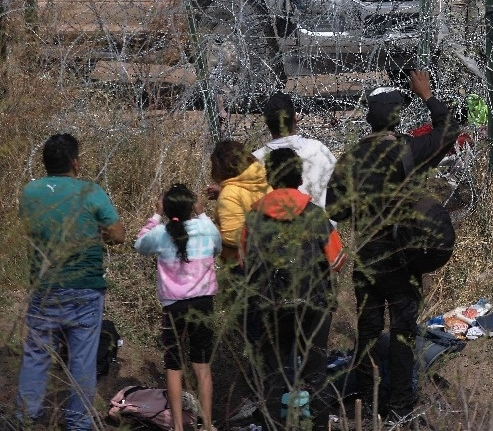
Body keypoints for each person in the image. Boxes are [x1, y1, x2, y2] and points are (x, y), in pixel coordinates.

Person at [326, 69, 460, 425]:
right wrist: (427, 94)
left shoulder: (351, 158)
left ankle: (369, 405)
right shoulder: (408, 150)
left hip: (367, 259)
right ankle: (400, 407)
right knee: (403, 331)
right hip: (402, 260)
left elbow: (335, 210)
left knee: (368, 330)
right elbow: (449, 130)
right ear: (397, 117)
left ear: (369, 120)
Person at [17, 133, 126, 430]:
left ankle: (26, 416)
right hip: (85, 290)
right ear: (75, 163)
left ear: (45, 162)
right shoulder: (90, 191)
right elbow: (118, 234)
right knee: (82, 359)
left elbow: (31, 229)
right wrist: (96, 233)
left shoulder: (30, 192)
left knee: (37, 355)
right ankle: (77, 423)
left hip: (45, 288)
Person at [240, 147, 346, 429]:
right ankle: (320, 426)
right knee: (316, 375)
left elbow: (243, 263)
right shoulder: (314, 214)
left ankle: (272, 425)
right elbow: (337, 260)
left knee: (273, 375)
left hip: (270, 306)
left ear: (270, 178)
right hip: (314, 305)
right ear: (299, 177)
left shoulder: (253, 217)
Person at [135, 184, 222, 431]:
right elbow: (217, 247)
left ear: (167, 208)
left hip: (173, 307)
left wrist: (155, 215)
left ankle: (177, 427)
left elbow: (139, 244)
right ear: (192, 206)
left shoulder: (161, 233)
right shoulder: (206, 227)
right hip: (203, 303)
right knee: (202, 365)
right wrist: (203, 214)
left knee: (174, 365)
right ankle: (206, 425)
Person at [252, 92, 336, 210]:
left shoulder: (254, 161)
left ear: (266, 123)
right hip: (322, 225)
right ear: (295, 119)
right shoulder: (318, 149)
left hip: (273, 226)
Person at [207, 139, 270, 264]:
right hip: (269, 255)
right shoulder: (263, 180)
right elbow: (249, 198)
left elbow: (233, 237)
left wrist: (210, 229)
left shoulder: (229, 194)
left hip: (243, 266)